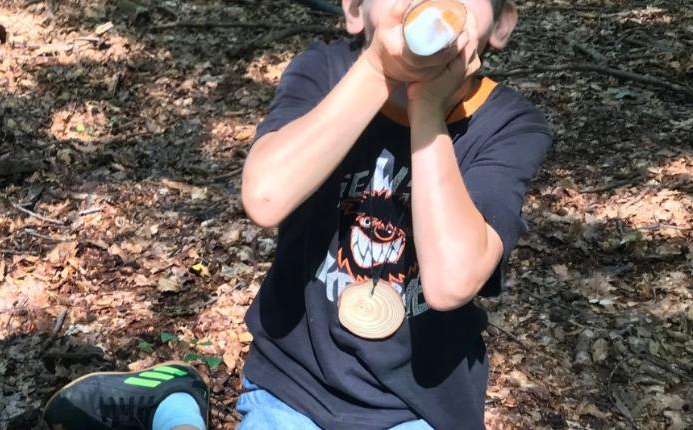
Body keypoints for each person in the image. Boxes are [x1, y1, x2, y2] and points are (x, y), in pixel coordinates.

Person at [43, 0, 550, 429]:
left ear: (500, 24)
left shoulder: (509, 125)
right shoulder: (326, 71)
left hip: (422, 405)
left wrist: (427, 108)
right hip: (294, 383)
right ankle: (177, 407)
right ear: (354, 9)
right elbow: (265, 198)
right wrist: (376, 70)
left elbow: (451, 281)